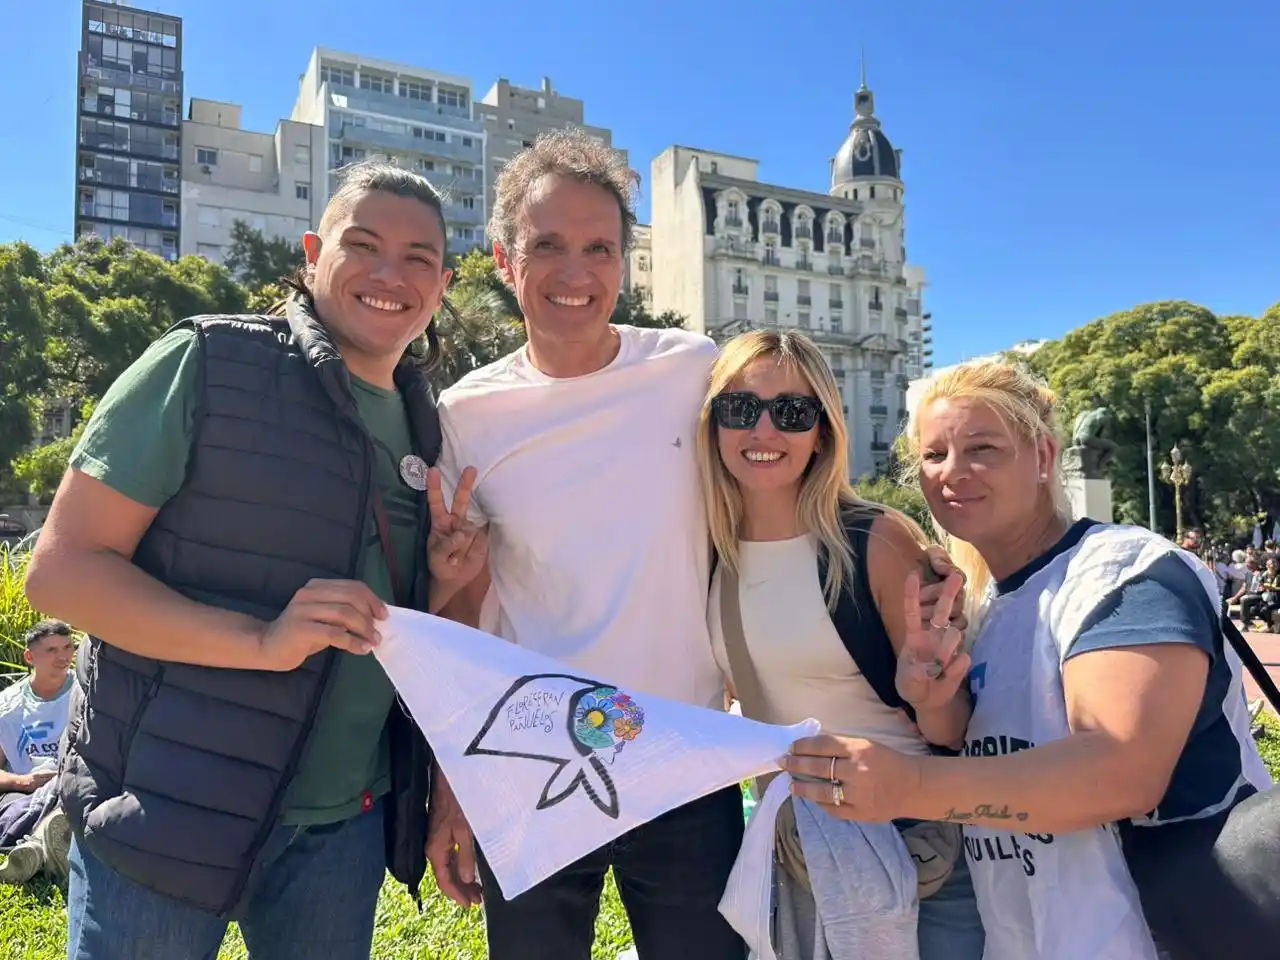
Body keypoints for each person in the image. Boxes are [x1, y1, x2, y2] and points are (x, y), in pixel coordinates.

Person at [25, 161, 484, 959]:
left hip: (341, 825)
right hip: (168, 805)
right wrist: (260, 641)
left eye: (418, 258)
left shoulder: (430, 426)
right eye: (362, 244)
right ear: (313, 254)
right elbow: (62, 573)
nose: (389, 274)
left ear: (443, 284)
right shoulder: (207, 363)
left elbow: (384, 622)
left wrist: (439, 581)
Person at [779, 361, 1271, 959]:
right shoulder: (982, 606)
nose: (953, 473)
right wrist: (934, 703)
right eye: (933, 456)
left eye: (981, 448)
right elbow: (999, 747)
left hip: (1162, 935)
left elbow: (1118, 772)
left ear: (1042, 456)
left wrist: (908, 785)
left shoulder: (1124, 573)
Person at [696, 329, 984, 959]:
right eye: (740, 409)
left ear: (822, 431)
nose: (763, 432)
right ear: (713, 424)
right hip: (797, 854)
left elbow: (952, 729)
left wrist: (930, 694)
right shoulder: (708, 553)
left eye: (792, 413)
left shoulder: (874, 542)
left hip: (915, 855)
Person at [0, 619, 76, 883]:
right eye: (52, 650)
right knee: (14, 810)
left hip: (73, 782)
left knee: (73, 789)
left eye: (68, 647)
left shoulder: (87, 693)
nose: (63, 656)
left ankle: (35, 849)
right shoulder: (8, 705)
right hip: (24, 794)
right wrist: (22, 781)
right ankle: (47, 845)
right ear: (30, 656)